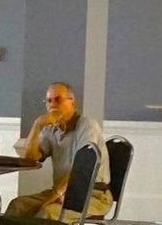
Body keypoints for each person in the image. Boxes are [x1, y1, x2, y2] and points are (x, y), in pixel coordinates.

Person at [6, 82, 111, 220]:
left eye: (58, 100)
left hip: (93, 195)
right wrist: (37, 126)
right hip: (62, 191)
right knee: (17, 206)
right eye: (49, 101)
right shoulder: (52, 129)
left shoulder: (88, 126)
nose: (52, 105)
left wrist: (54, 196)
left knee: (48, 212)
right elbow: (30, 159)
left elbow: (82, 167)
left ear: (72, 103)